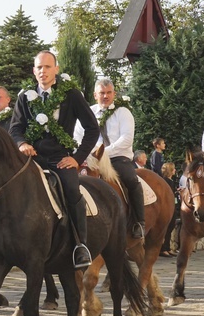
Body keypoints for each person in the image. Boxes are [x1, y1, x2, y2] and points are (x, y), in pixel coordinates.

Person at [9, 50, 99, 268]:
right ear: (33, 71)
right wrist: (22, 144)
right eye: (39, 67)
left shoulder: (71, 94)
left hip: (60, 159)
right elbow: (14, 129)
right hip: (32, 159)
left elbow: (92, 129)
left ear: (56, 69)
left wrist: (77, 159)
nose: (43, 71)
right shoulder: (25, 96)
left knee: (71, 189)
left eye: (47, 67)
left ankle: (81, 246)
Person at [74, 78, 145, 239]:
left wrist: (104, 152)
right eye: (102, 93)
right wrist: (90, 153)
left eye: (108, 93)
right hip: (91, 158)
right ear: (95, 95)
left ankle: (138, 221)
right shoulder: (87, 113)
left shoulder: (123, 112)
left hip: (117, 157)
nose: (105, 96)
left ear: (114, 94)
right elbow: (77, 137)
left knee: (131, 180)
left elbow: (126, 139)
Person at [160, 162, 179, 257]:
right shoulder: (166, 181)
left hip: (173, 205)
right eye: (174, 169)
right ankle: (163, 248)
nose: (175, 170)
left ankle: (167, 247)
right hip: (168, 207)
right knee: (167, 227)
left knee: (171, 226)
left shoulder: (171, 180)